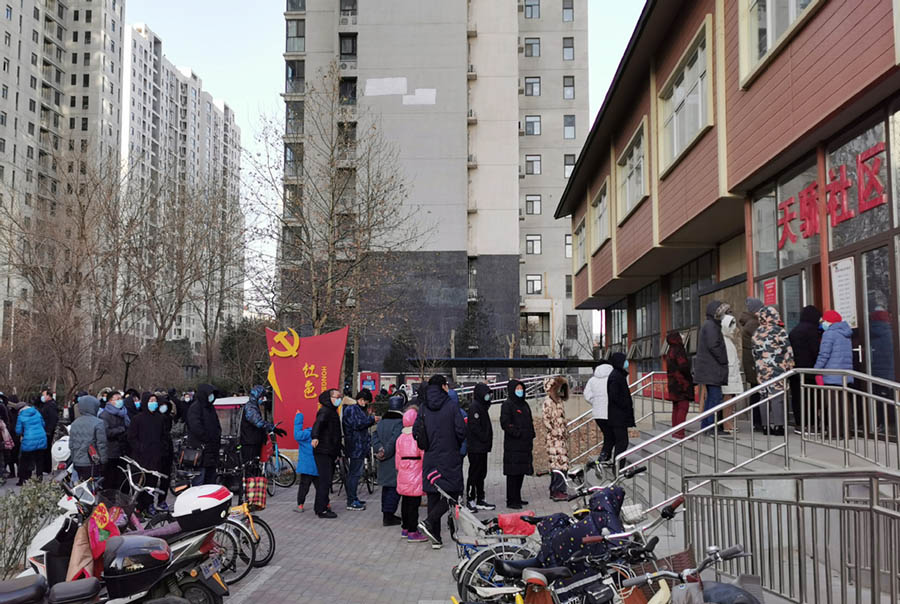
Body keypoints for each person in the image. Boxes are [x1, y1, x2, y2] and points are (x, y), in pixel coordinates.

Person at [413, 374, 466, 549]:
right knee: (454, 492)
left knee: (433, 494)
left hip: (430, 456)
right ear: (443, 386)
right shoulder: (451, 406)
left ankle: (435, 537)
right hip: (449, 456)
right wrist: (455, 445)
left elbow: (416, 432)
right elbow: (461, 430)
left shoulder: (423, 407)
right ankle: (429, 522)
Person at [752, 306, 795, 435]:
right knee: (777, 397)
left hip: (762, 370)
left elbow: (754, 353)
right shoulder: (779, 331)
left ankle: (765, 426)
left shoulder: (756, 333)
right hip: (778, 369)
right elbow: (788, 352)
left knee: (764, 397)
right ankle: (779, 426)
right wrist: (790, 367)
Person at [814, 309, 854, 435]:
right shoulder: (845, 333)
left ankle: (834, 433)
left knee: (832, 405)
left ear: (829, 321)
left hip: (831, 374)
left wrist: (816, 369)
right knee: (844, 404)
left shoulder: (829, 334)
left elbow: (824, 354)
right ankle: (846, 431)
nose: (823, 323)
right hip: (844, 374)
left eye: (824, 320)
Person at [500, 379, 535, 510]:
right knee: (513, 473)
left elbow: (529, 421)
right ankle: (511, 500)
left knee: (520, 472)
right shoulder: (507, 405)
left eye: (521, 388)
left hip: (525, 445)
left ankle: (518, 497)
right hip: (513, 446)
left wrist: (531, 434)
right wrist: (517, 433)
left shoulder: (524, 404)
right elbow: (505, 423)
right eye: (517, 389)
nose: (520, 391)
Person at [695, 301, 730, 430]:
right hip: (712, 370)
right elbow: (714, 346)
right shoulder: (711, 326)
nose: (724, 315)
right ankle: (710, 426)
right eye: (723, 312)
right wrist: (724, 359)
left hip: (710, 370)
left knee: (712, 398)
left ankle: (707, 426)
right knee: (714, 398)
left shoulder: (709, 325)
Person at [128, 392, 166, 510]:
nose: (153, 403)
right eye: (150, 401)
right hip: (141, 457)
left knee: (152, 482)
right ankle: (139, 507)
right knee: (141, 482)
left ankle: (150, 505)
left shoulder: (160, 418)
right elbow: (131, 437)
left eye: (155, 401)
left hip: (155, 456)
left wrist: (161, 449)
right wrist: (140, 448)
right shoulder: (137, 419)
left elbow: (163, 436)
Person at [788, 305, 822, 433]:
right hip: (809, 370)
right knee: (811, 398)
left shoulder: (794, 330)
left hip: (795, 370)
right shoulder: (811, 331)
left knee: (797, 397)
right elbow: (815, 350)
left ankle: (800, 424)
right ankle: (812, 424)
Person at [342, 388, 377, 511]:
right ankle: (351, 500)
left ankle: (354, 498)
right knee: (354, 474)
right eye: (366, 401)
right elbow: (358, 424)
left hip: (360, 447)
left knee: (356, 474)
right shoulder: (352, 410)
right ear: (361, 399)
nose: (366, 404)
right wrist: (372, 420)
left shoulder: (356, 409)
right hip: (355, 447)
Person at [396, 407, 427, 542]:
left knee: (405, 501)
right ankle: (413, 531)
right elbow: (423, 455)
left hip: (403, 471)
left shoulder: (400, 437)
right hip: (416, 471)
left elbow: (397, 459)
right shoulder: (417, 437)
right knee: (414, 503)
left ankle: (405, 528)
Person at [372, 394, 404, 526]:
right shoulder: (400, 422)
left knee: (386, 487)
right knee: (394, 488)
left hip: (382, 459)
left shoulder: (382, 421)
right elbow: (395, 440)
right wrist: (386, 451)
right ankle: (389, 516)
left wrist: (379, 449)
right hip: (393, 459)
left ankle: (386, 513)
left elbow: (374, 436)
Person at [311, 388, 344, 518]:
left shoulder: (332, 411)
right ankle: (321, 509)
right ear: (329, 398)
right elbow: (317, 425)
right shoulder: (325, 411)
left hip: (329, 450)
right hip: (323, 451)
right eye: (337, 397)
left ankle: (322, 505)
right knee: (325, 481)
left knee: (326, 480)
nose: (339, 399)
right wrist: (315, 437)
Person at [465, 383, 495, 511]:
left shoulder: (482, 407)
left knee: (481, 473)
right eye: (487, 393)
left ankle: (480, 498)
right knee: (474, 473)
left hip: (482, 448)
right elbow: (475, 427)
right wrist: (484, 437)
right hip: (475, 448)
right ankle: (470, 499)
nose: (489, 396)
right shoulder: (474, 407)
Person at [541, 376, 570, 502]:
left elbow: (562, 418)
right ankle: (557, 490)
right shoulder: (548, 402)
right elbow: (546, 419)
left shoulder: (558, 401)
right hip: (554, 439)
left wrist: (564, 430)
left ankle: (557, 489)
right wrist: (554, 431)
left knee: (561, 464)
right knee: (558, 464)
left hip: (560, 438)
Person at [604, 352, 636, 468]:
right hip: (618, 417)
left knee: (622, 442)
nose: (627, 363)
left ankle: (618, 466)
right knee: (622, 442)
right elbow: (615, 396)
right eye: (624, 360)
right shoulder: (616, 376)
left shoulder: (617, 375)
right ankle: (618, 467)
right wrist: (625, 404)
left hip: (618, 416)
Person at [186, 384, 222, 485]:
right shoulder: (195, 408)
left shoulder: (211, 409)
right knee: (199, 481)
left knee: (210, 481)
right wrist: (207, 439)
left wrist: (217, 437)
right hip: (200, 452)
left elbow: (216, 425)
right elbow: (195, 427)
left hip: (212, 451)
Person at [240, 385, 285, 465]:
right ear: (257, 396)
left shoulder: (254, 406)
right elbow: (259, 423)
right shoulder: (250, 408)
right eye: (262, 397)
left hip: (254, 441)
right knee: (251, 467)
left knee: (256, 466)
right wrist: (273, 428)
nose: (263, 399)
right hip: (250, 443)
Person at [68, 395, 107, 482]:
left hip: (77, 461)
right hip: (92, 462)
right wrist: (103, 460)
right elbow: (101, 444)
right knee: (92, 485)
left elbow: (71, 444)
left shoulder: (75, 423)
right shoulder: (98, 423)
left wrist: (74, 458)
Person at [739, 298, 764, 431]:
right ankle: (758, 421)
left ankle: (757, 421)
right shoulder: (754, 324)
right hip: (756, 364)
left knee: (755, 392)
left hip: (751, 364)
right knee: (758, 393)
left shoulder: (750, 322)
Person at [665, 331, 693, 439]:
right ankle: (680, 433)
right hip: (682, 383)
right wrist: (690, 377)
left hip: (673, 383)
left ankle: (675, 432)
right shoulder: (679, 350)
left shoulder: (670, 351)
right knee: (683, 407)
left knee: (676, 407)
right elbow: (683, 366)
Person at [100, 391, 129, 492]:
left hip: (122, 451)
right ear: (110, 401)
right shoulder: (105, 415)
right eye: (117, 399)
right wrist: (121, 429)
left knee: (121, 479)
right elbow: (106, 432)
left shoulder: (123, 413)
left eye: (121, 399)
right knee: (109, 479)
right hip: (110, 452)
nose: (120, 401)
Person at [584, 361, 614, 462]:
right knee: (612, 435)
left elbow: (587, 395)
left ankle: (606, 455)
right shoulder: (613, 378)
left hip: (598, 414)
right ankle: (605, 455)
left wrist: (596, 402)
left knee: (607, 434)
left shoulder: (592, 380)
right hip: (611, 412)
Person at [15, 396, 46, 484]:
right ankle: (39, 479)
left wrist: (22, 434)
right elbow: (43, 424)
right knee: (39, 461)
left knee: (24, 461)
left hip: (28, 440)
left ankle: (22, 479)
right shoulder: (36, 412)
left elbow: (18, 431)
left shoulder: (21, 416)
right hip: (41, 438)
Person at [721, 314, 743, 434]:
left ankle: (728, 422)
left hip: (732, 374)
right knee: (728, 400)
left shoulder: (729, 340)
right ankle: (727, 423)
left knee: (730, 400)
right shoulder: (723, 340)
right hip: (728, 375)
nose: (733, 329)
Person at [293, 411, 318, 512]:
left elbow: (297, 434)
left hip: (306, 467)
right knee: (321, 487)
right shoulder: (319, 436)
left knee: (304, 487)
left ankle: (300, 505)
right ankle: (327, 503)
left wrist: (299, 416)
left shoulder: (305, 435)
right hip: (317, 466)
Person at [38, 388, 58, 477]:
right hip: (45, 430)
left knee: (46, 450)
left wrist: (49, 430)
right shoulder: (46, 404)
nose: (42, 397)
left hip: (48, 431)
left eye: (44, 395)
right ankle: (43, 467)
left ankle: (46, 468)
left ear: (49, 396)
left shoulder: (51, 405)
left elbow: (53, 419)